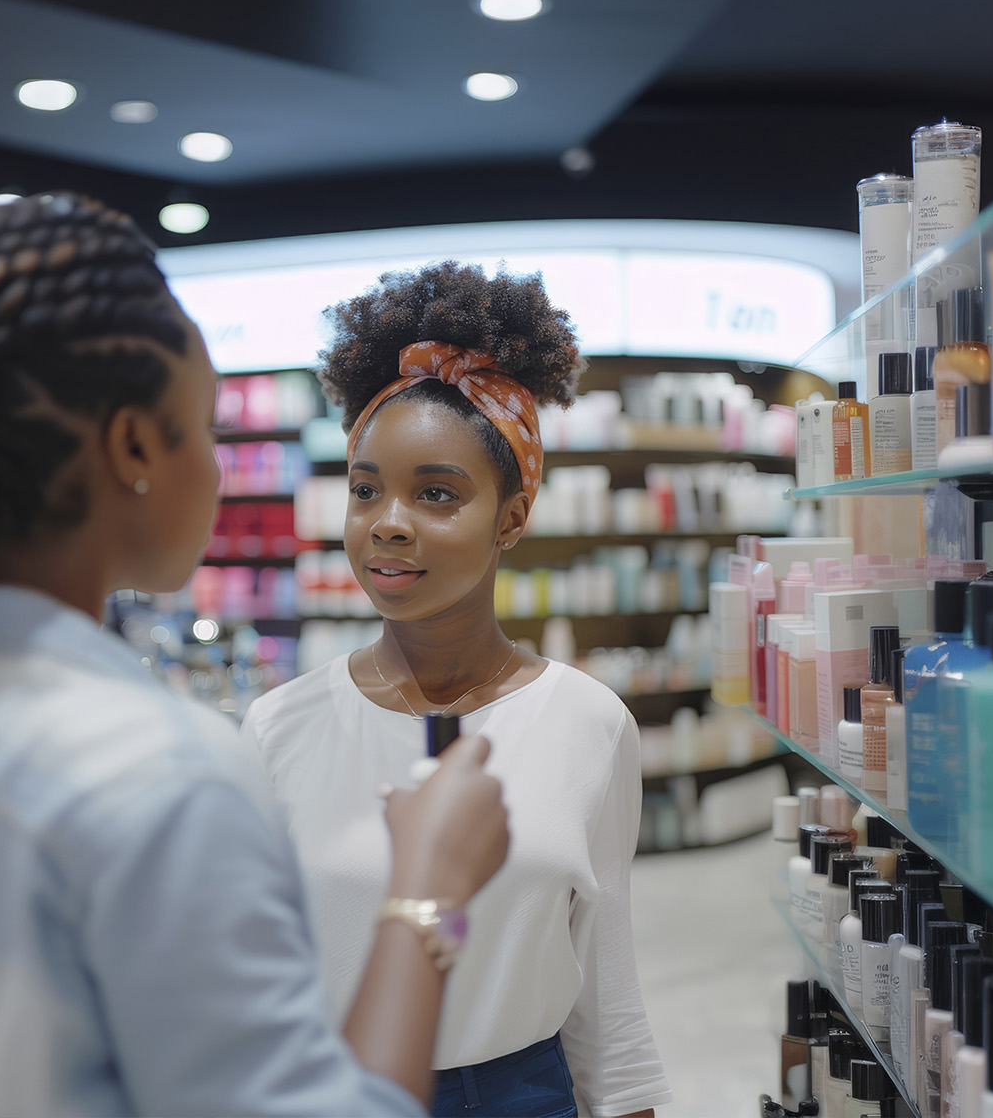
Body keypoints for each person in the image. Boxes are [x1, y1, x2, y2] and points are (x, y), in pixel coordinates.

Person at [0, 193, 512, 1116]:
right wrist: (427, 891)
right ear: (134, 444)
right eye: (206, 425)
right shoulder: (162, 780)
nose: (217, 469)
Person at [241, 263, 672, 1118]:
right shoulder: (277, 727)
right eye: (366, 490)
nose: (388, 521)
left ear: (512, 518)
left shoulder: (589, 724)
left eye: (436, 493)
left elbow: (606, 995)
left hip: (524, 1093)